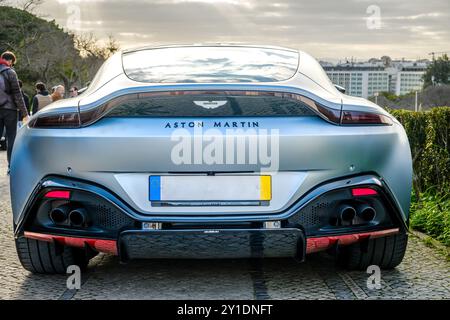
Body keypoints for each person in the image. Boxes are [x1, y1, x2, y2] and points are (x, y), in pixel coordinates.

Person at [0, 51, 29, 172]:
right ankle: (11, 166)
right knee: (11, 137)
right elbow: (17, 94)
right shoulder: (10, 72)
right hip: (10, 110)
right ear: (10, 61)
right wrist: (25, 113)